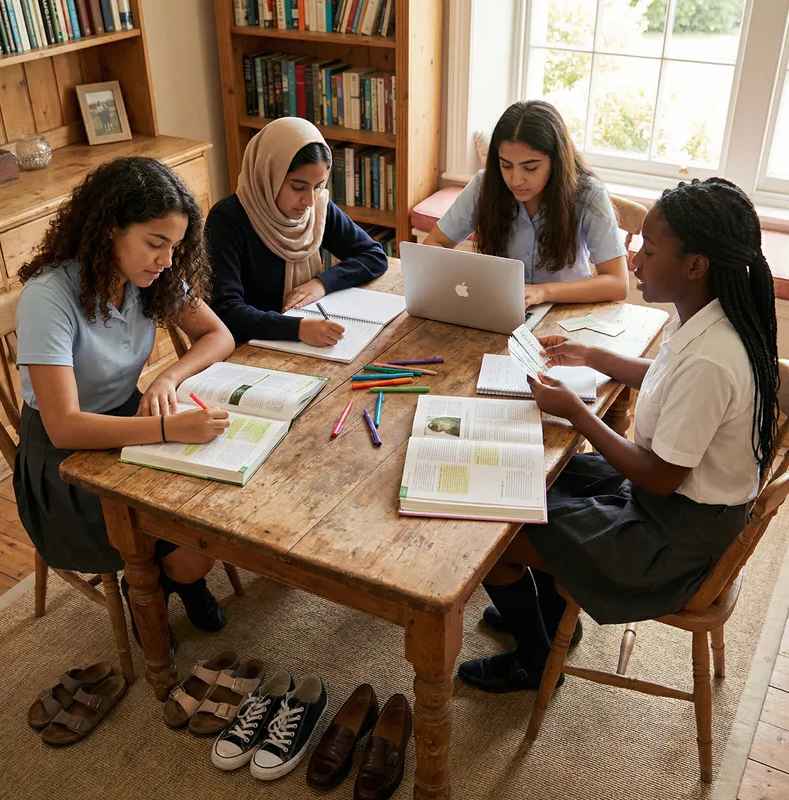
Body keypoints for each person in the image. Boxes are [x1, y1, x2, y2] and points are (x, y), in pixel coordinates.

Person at [458, 177, 780, 693]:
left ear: (695, 265)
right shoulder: (710, 317)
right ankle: (552, 603)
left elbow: (658, 478)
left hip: (675, 538)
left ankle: (538, 659)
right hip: (679, 506)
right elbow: (666, 377)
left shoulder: (712, 361)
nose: (633, 261)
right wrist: (595, 356)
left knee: (495, 534)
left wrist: (577, 413)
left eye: (648, 251)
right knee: (527, 479)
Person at [13, 157, 237, 647]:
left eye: (175, 247)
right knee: (184, 543)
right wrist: (166, 430)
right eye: (155, 243)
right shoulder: (48, 296)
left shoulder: (150, 276)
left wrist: (166, 379)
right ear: (110, 229)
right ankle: (154, 591)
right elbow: (65, 427)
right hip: (64, 461)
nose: (164, 260)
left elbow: (219, 335)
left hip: (131, 418)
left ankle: (175, 581)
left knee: (209, 521)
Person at [425, 100, 629, 308]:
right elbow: (433, 244)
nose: (515, 180)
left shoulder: (589, 195)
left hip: (567, 312)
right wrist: (472, 279)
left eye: (530, 168)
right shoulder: (484, 184)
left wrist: (543, 291)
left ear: (557, 161)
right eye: (506, 165)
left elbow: (618, 283)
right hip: (501, 308)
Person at [206, 117, 388, 347]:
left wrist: (321, 283)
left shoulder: (317, 210)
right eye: (298, 187)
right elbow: (226, 312)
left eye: (319, 186)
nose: (310, 200)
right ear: (268, 174)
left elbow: (373, 256)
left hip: (305, 342)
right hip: (249, 348)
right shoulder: (227, 220)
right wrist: (297, 328)